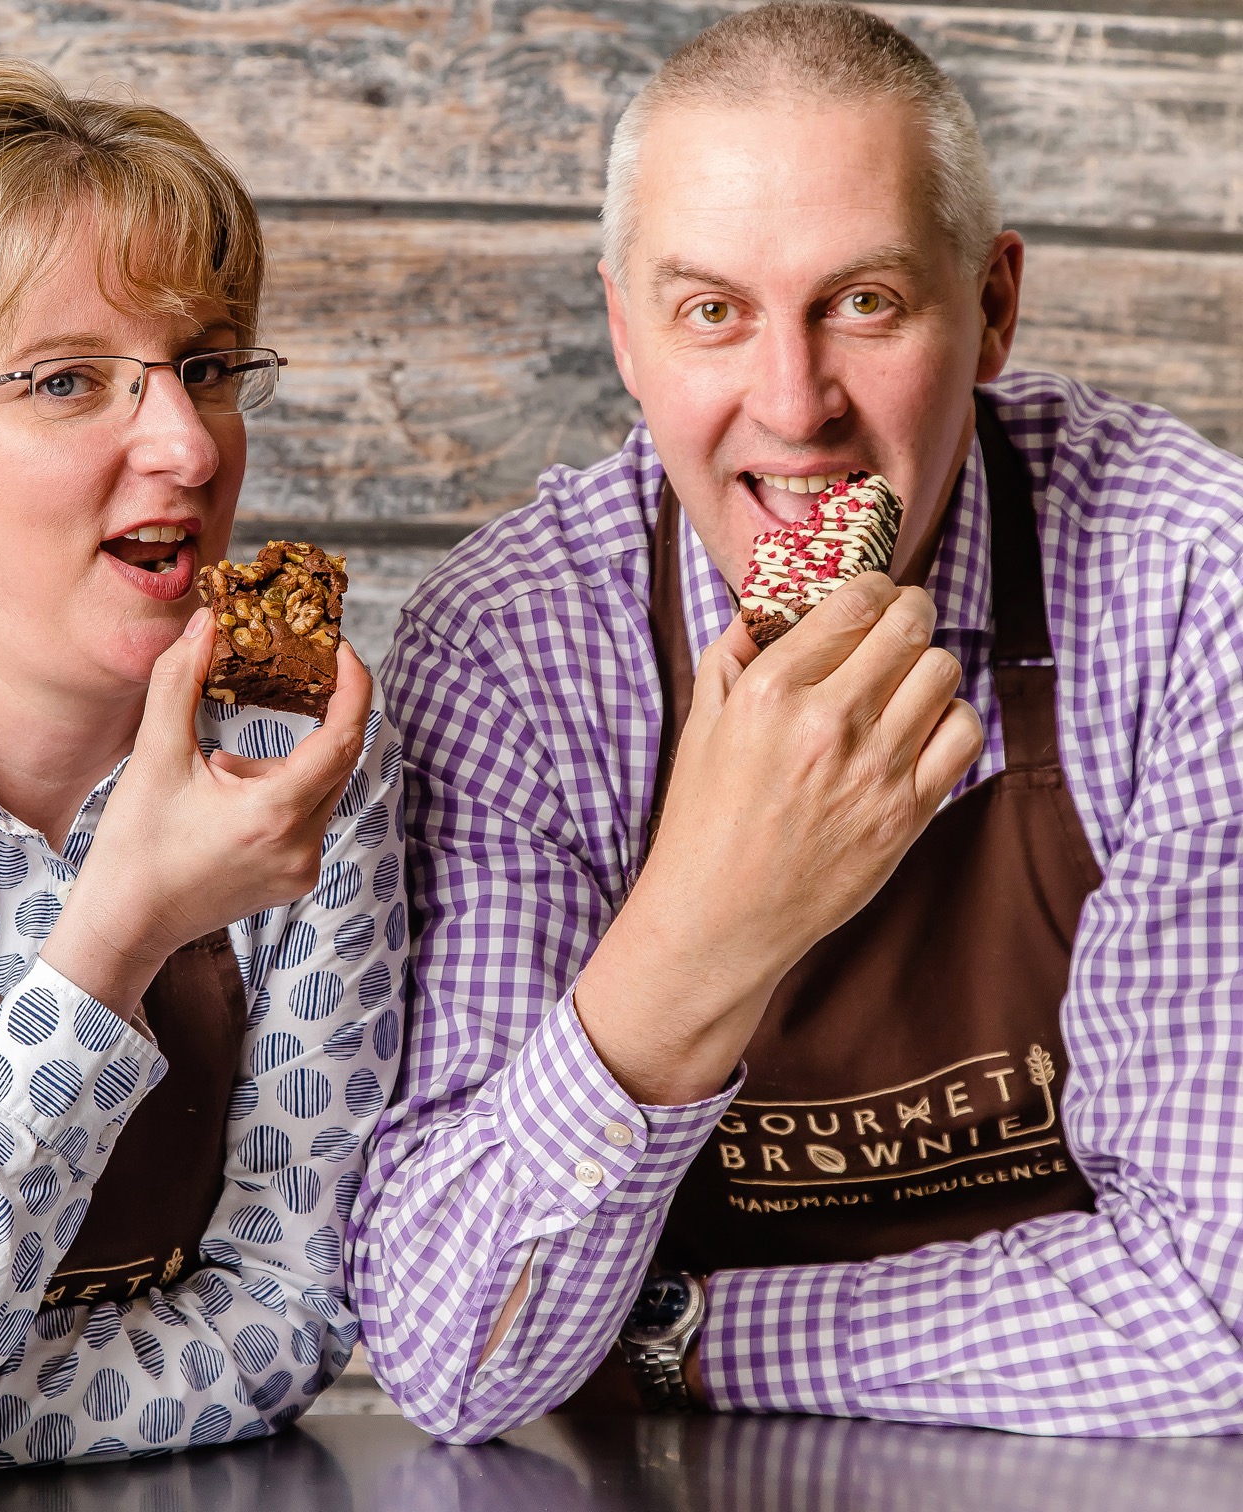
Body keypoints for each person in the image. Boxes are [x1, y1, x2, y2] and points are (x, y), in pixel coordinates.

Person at [351, 1, 1243, 1440]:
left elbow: (1220, 1311)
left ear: (995, 308)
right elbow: (455, 1357)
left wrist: (680, 1327)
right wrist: (709, 926)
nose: (794, 403)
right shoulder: (517, 648)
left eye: (866, 304)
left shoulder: (1194, 589)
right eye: (714, 312)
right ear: (626, 335)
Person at [0, 61, 404, 1507]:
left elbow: (292, 1315)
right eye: (64, 379)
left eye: (207, 367)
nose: (186, 444)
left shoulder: (303, 757)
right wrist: (116, 941)